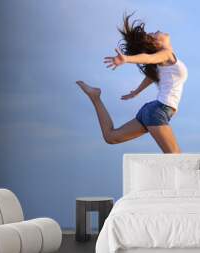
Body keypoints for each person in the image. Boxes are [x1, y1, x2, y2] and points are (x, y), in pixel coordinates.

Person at [76, 13, 188, 153]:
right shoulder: (166, 54)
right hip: (158, 111)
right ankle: (95, 97)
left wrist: (136, 92)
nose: (156, 30)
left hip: (152, 110)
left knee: (111, 137)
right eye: (153, 34)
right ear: (156, 43)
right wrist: (126, 59)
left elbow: (152, 76)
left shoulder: (163, 61)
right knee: (177, 157)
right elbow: (148, 58)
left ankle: (95, 97)